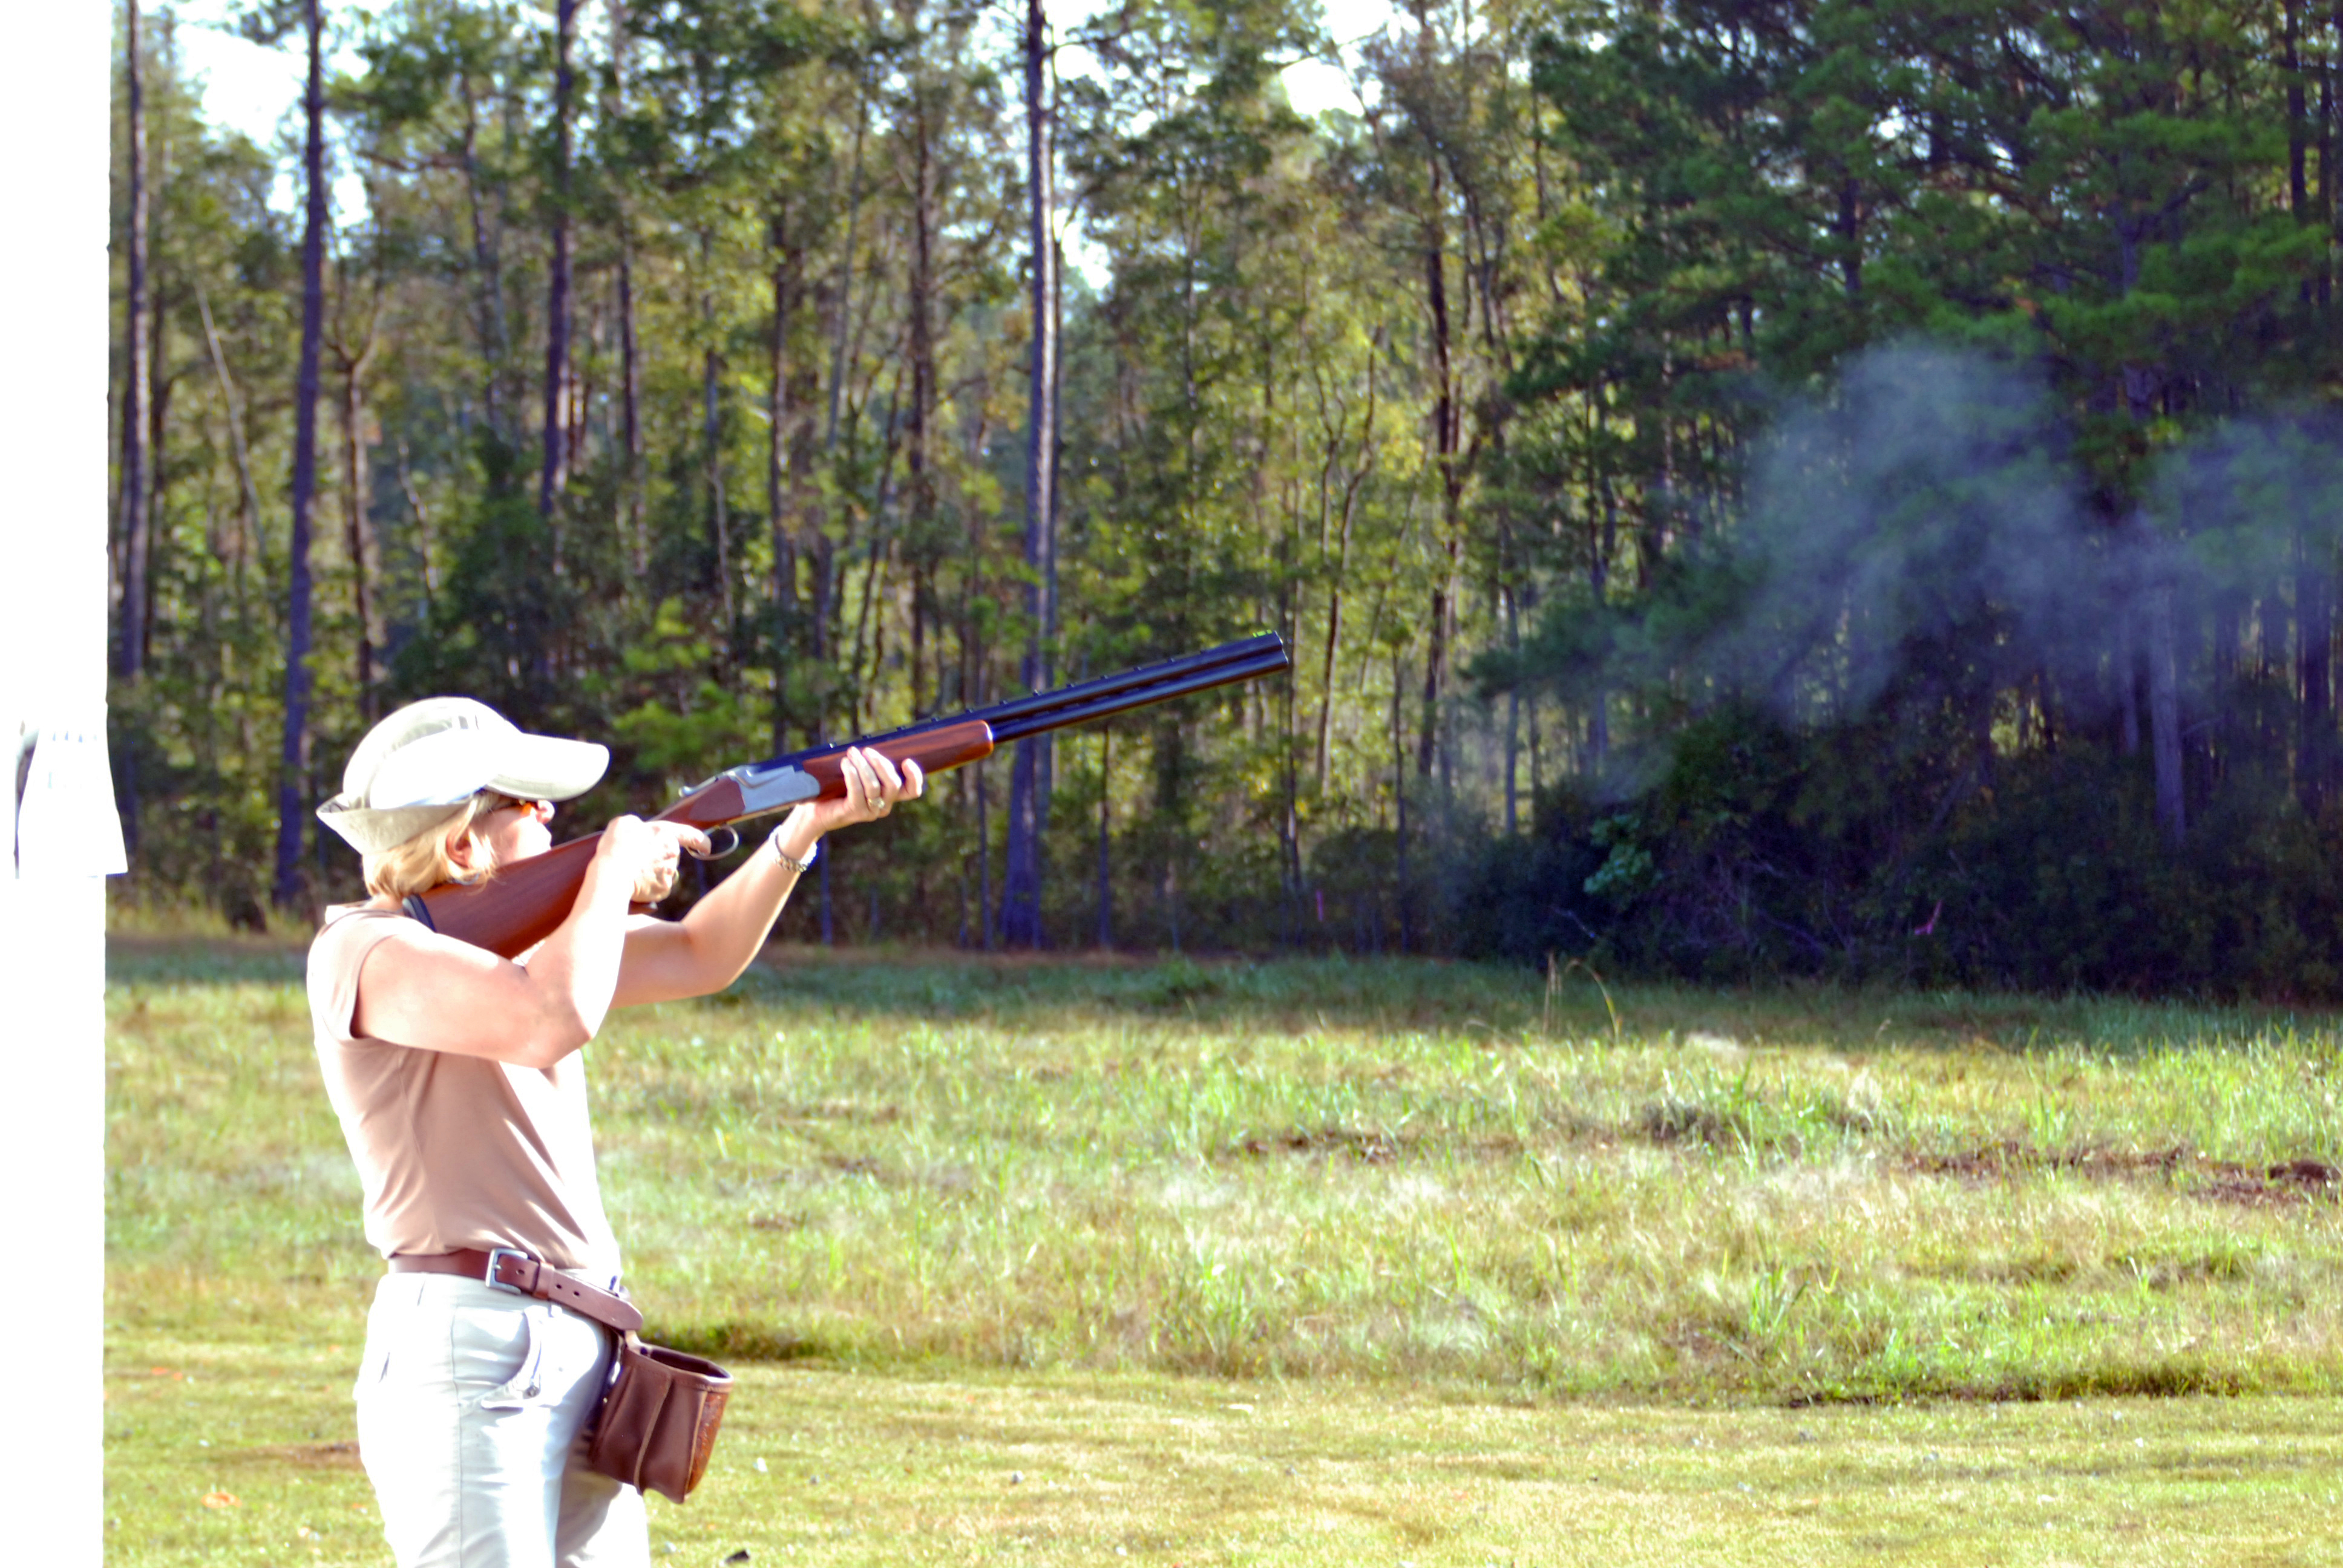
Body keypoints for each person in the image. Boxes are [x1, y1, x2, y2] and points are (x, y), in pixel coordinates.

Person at [306, 696, 920, 1568]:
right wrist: (610, 871)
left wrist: (798, 835)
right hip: (473, 1346)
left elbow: (701, 952)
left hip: (584, 1343)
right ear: (459, 843)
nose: (553, 817)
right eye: (527, 802)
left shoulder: (534, 937)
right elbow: (547, 1018)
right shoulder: (365, 952)